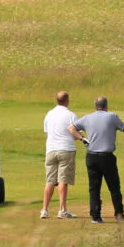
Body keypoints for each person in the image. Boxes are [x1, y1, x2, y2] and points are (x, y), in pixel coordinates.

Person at [77, 96, 124, 224]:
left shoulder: (87, 117)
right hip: (106, 157)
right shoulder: (112, 116)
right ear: (106, 106)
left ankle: (95, 217)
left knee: (94, 188)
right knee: (114, 187)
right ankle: (119, 215)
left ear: (96, 106)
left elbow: (71, 128)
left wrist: (81, 138)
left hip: (91, 156)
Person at [42, 91, 84, 220]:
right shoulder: (71, 115)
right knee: (63, 180)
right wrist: (81, 138)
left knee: (50, 181)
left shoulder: (49, 114)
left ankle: (44, 210)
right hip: (66, 150)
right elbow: (76, 134)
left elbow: (47, 130)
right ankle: (62, 210)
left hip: (50, 150)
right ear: (67, 100)